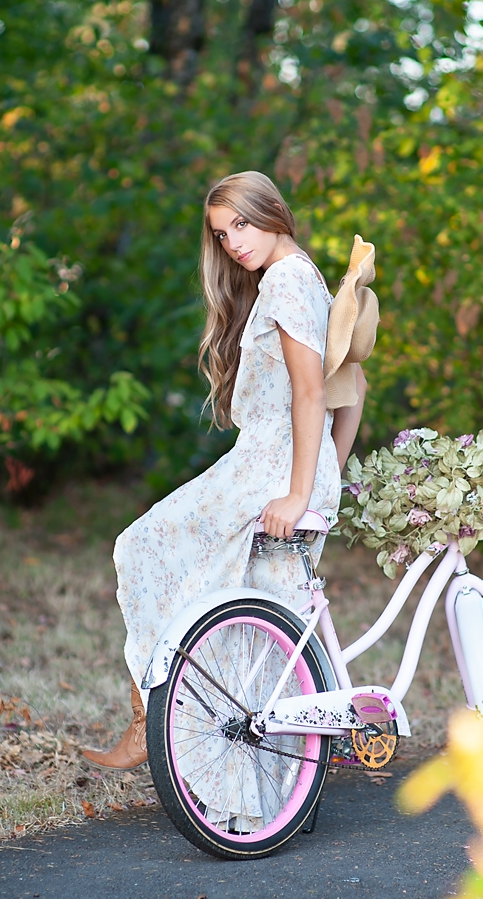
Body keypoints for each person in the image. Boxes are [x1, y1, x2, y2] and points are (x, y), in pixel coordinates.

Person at [82, 171, 370, 771]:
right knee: (236, 600)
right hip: (279, 464)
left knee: (143, 546)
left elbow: (313, 393)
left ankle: (153, 717)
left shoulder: (289, 281)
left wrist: (302, 491)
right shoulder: (296, 277)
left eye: (242, 223)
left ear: (273, 212)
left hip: (271, 469)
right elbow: (354, 389)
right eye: (222, 233)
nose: (233, 243)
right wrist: (326, 473)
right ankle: (208, 744)